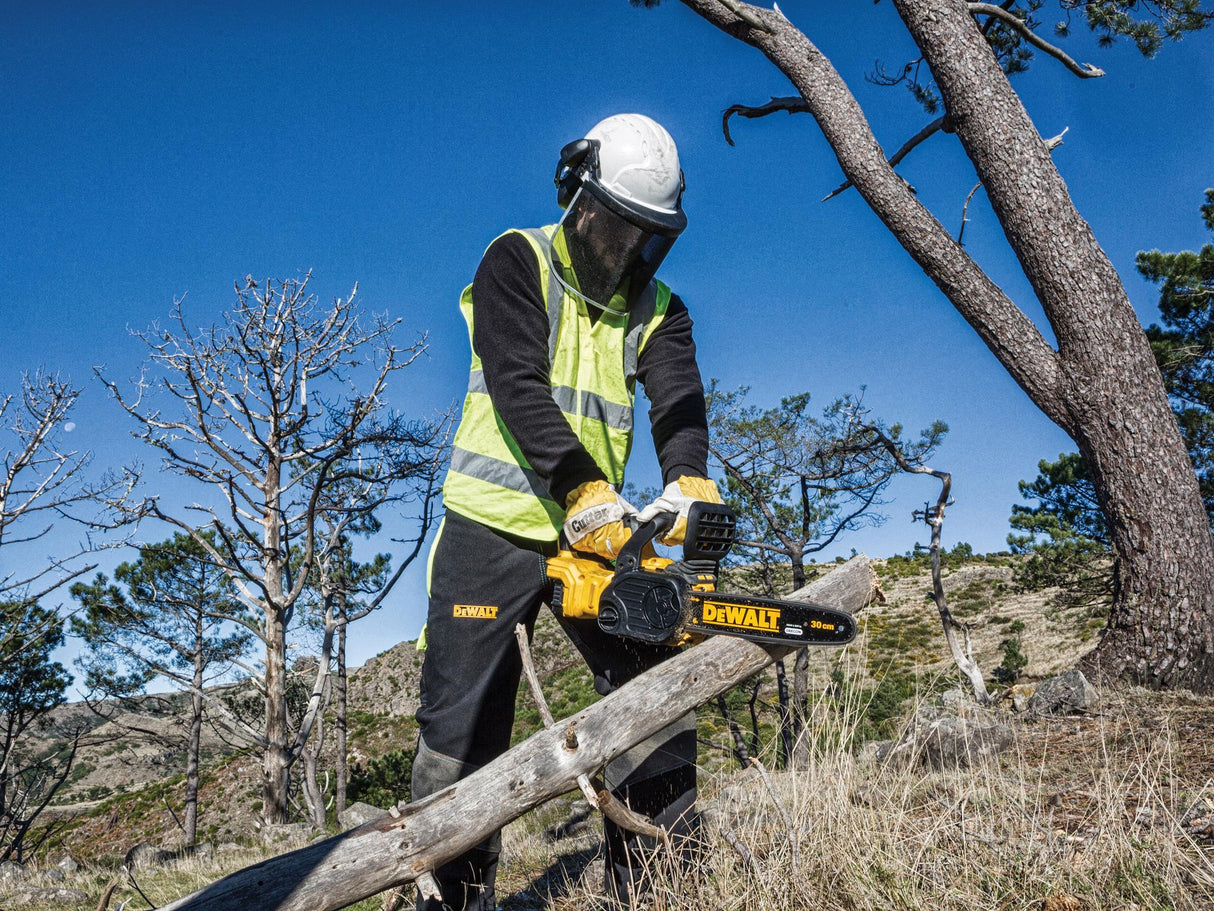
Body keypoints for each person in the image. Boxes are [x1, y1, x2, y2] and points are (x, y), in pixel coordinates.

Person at [413, 112, 721, 910]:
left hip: (599, 535)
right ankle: (451, 897)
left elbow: (680, 400)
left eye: (642, 234)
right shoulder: (516, 260)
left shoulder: (661, 307)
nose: (624, 248)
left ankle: (659, 888)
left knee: (653, 700)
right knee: (463, 733)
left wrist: (688, 478)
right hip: (494, 525)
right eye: (613, 226)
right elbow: (516, 382)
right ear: (577, 198)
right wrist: (582, 489)